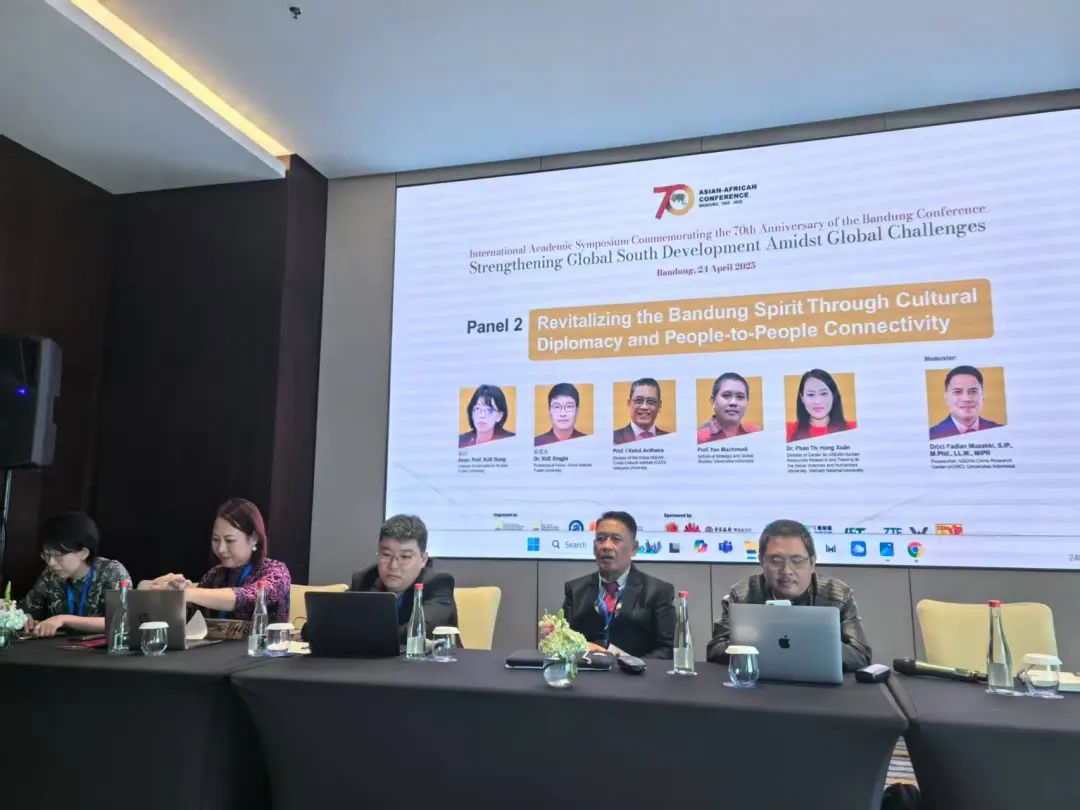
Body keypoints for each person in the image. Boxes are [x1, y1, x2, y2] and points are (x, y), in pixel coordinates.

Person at [706, 519, 871, 671]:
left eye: (797, 560)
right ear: (761, 561)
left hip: (819, 687)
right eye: (776, 561)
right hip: (759, 685)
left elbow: (861, 655)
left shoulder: (838, 596)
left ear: (812, 562)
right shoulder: (741, 596)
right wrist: (758, 645)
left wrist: (817, 644)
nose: (786, 571)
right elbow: (715, 650)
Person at [149, 498, 291, 623]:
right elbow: (190, 616)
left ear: (254, 538)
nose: (221, 549)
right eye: (215, 539)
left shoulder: (276, 571)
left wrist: (187, 593)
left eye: (229, 540)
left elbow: (249, 597)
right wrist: (172, 592)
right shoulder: (215, 575)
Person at [562, 510, 675, 658]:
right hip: (587, 669)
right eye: (601, 539)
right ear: (594, 547)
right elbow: (564, 642)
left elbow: (667, 650)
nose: (606, 546)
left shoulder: (658, 592)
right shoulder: (576, 590)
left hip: (636, 671)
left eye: (615, 539)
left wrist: (630, 665)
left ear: (634, 548)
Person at [344, 514, 457, 642]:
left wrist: (362, 634)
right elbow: (337, 622)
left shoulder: (438, 583)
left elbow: (417, 632)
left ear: (423, 559)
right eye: (386, 555)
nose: (393, 565)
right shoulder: (365, 579)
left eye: (405, 557)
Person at [20, 512, 130, 637]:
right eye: (47, 555)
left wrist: (63, 619)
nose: (51, 562)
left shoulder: (111, 571)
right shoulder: (50, 574)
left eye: (58, 555)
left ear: (83, 553)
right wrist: (25, 617)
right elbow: (27, 609)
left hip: (101, 648)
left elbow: (121, 620)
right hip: (59, 646)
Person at [929, 365, 1002, 439]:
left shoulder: (1000, 431)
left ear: (983, 395)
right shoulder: (932, 436)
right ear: (946, 397)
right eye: (957, 392)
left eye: (973, 391)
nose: (966, 399)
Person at [786, 369, 856, 442]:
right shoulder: (788, 430)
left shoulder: (853, 428)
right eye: (811, 394)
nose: (817, 401)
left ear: (833, 395)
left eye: (824, 393)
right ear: (802, 398)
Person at [697, 372, 761, 443]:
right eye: (726, 395)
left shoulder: (756, 433)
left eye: (740, 396)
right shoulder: (699, 437)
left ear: (747, 403)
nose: (733, 402)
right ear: (713, 401)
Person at [613, 378, 668, 444]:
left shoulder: (670, 439)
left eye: (651, 401)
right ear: (629, 403)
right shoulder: (613, 439)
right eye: (638, 401)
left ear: (659, 406)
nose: (644, 407)